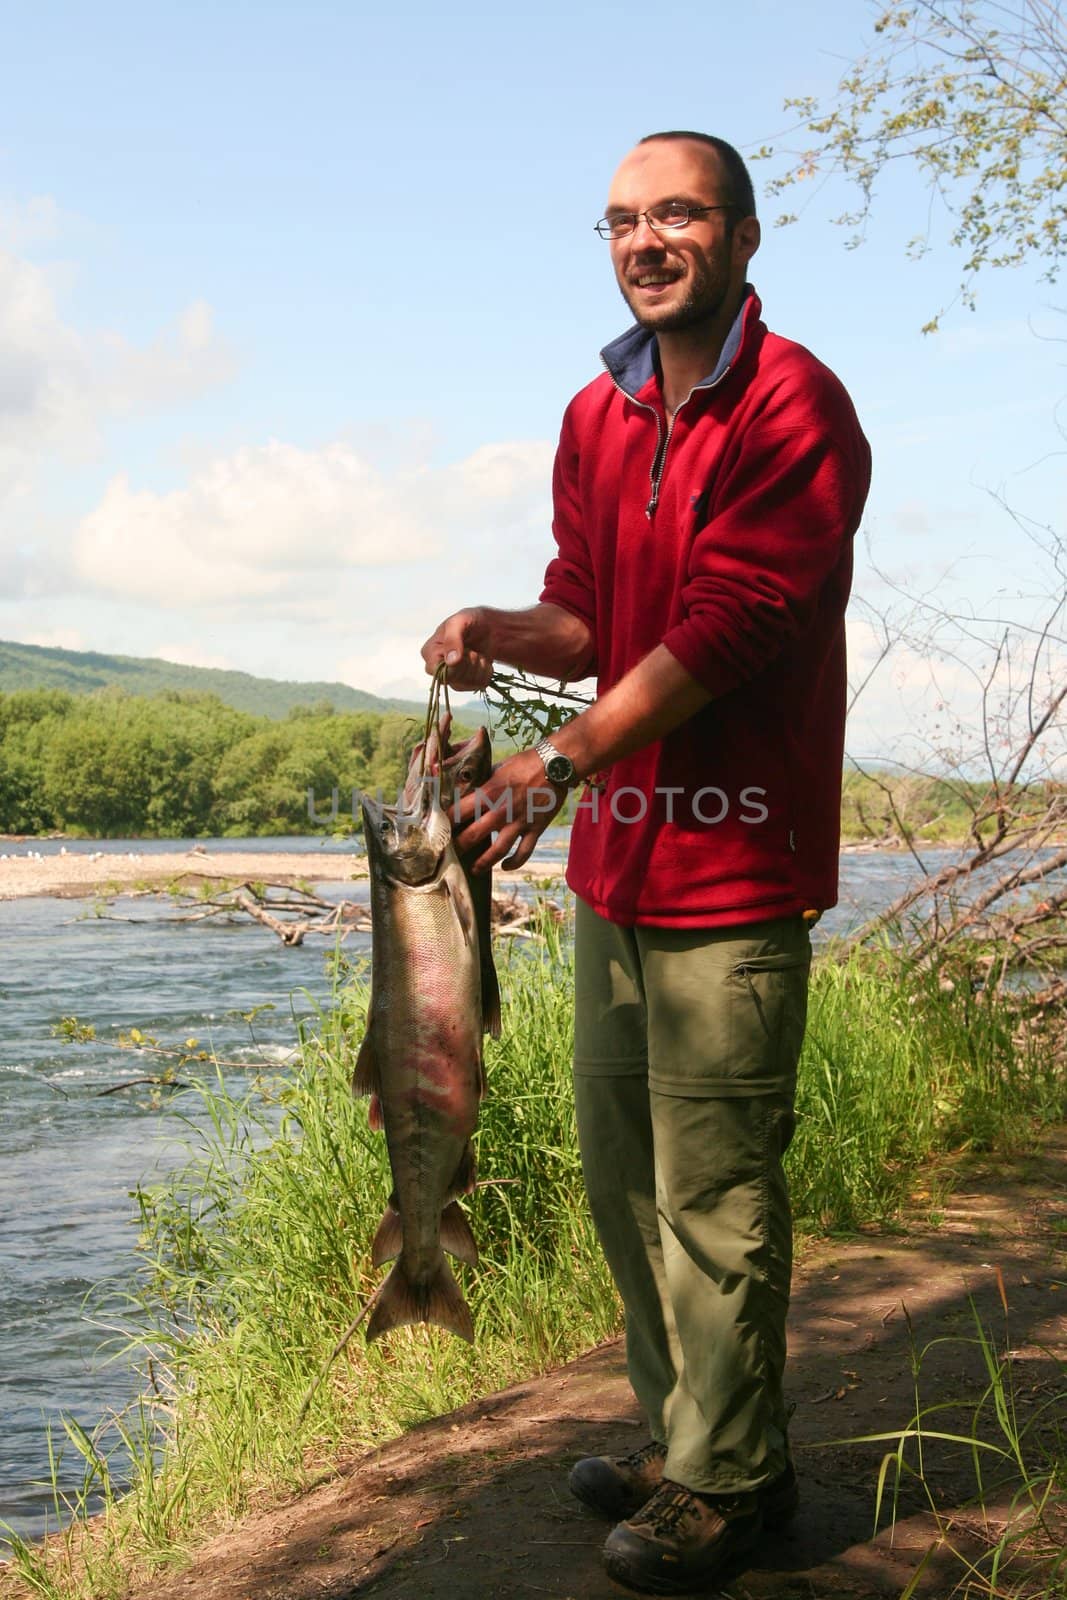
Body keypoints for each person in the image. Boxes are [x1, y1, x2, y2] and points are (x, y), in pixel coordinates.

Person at [421, 130, 871, 1595]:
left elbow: (728, 629)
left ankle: (729, 1488)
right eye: (621, 220)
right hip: (614, 871)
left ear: (743, 236)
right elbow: (590, 616)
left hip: (735, 873)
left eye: (676, 213)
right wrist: (501, 630)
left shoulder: (797, 404)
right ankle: (696, 1439)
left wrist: (554, 762)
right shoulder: (594, 414)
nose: (644, 239)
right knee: (626, 1185)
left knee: (716, 1200)